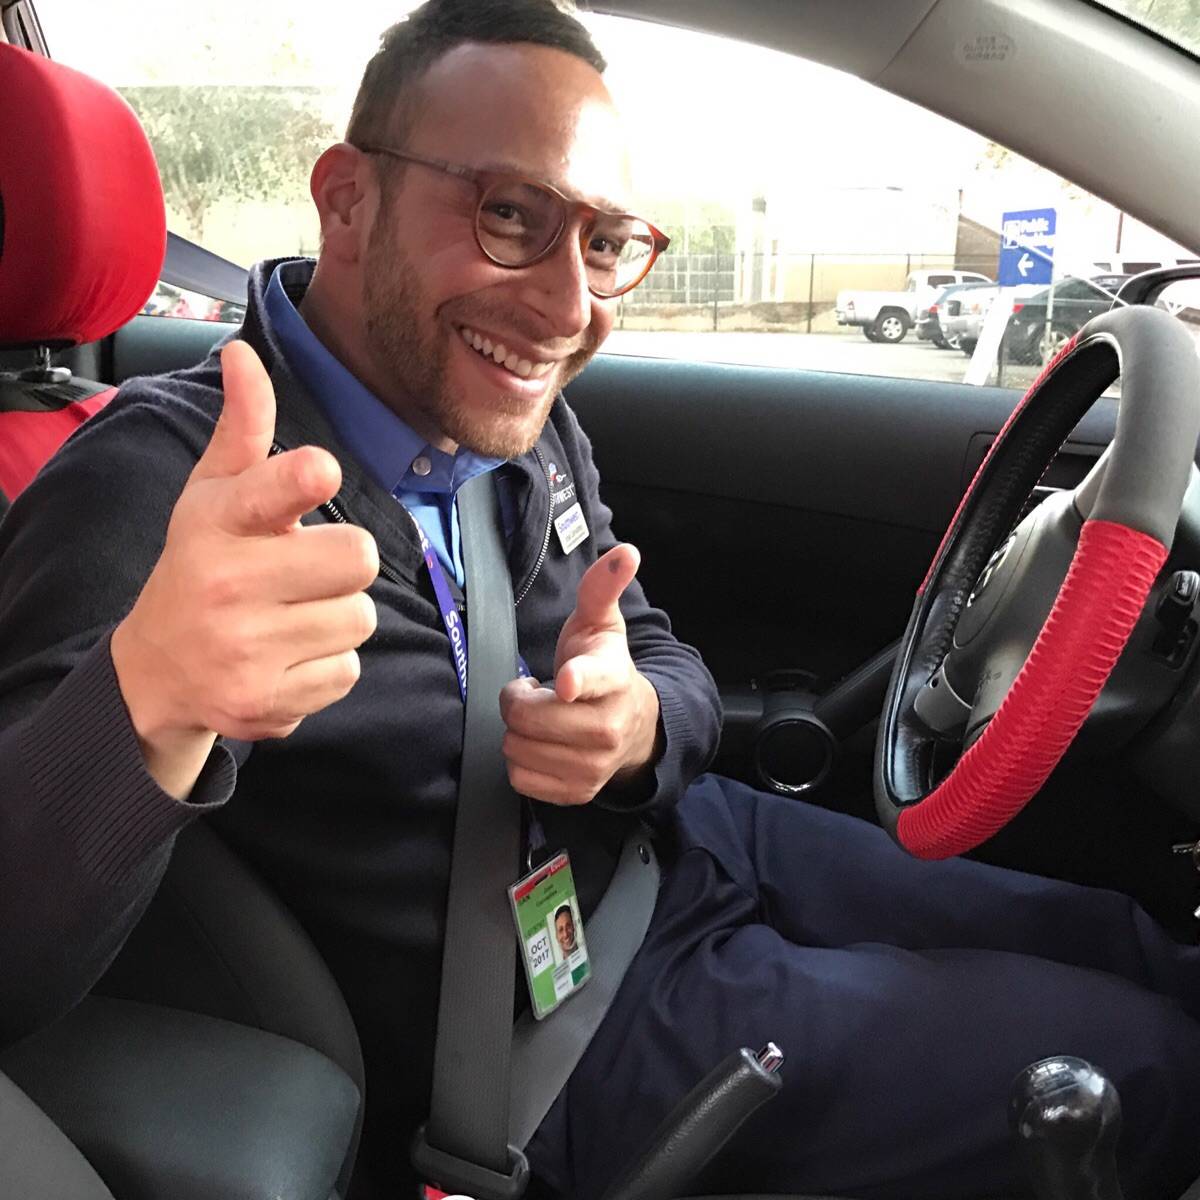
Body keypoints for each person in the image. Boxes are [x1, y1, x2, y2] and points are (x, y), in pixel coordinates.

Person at [2, 3, 1200, 1198]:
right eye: (510, 216)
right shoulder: (156, 487)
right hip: (554, 1036)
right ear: (347, 199)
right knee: (1152, 1067)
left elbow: (658, 649)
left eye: (609, 240)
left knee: (1138, 945)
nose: (571, 309)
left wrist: (637, 732)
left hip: (686, 845)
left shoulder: (517, 426)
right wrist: (149, 698)